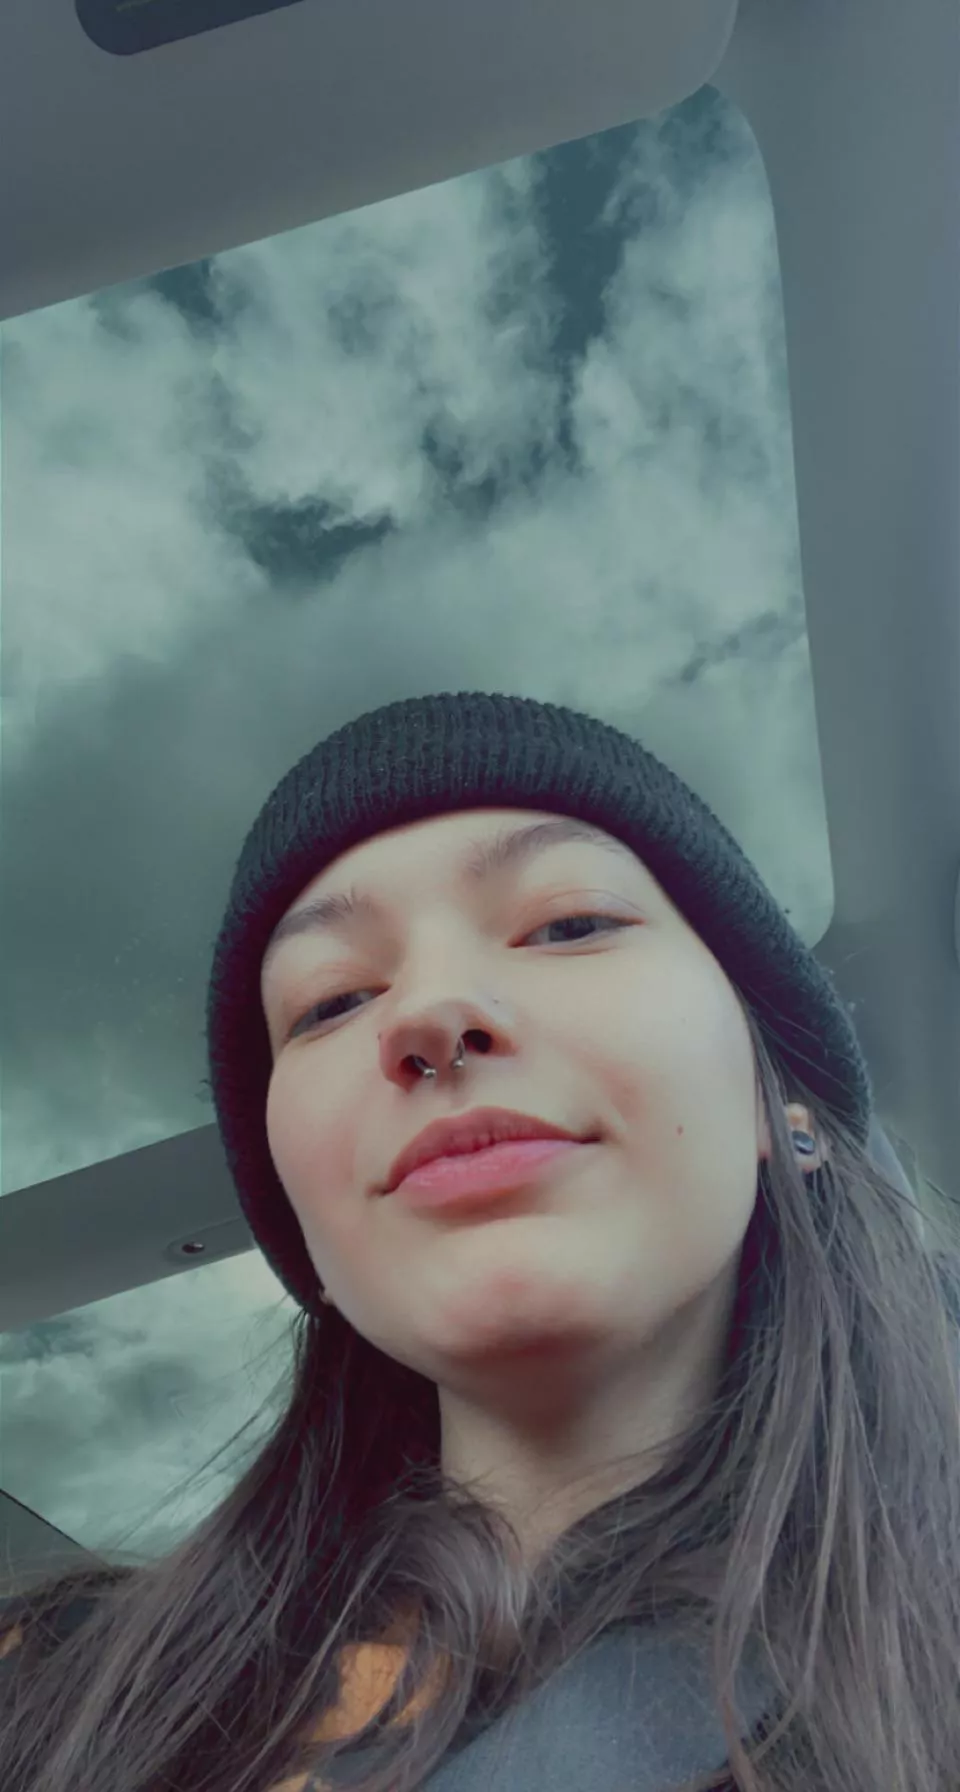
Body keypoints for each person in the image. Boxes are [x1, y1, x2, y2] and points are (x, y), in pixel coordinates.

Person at [2, 690, 959, 1792]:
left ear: (777, 1100)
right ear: (306, 1233)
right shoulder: (49, 1695)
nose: (429, 1012)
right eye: (331, 1000)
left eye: (571, 924)